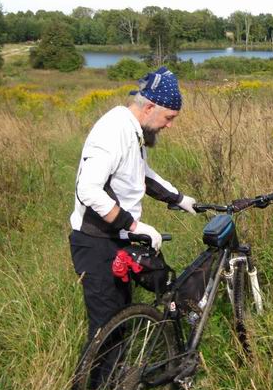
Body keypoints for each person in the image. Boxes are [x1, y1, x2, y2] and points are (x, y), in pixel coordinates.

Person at [69, 66, 196, 345]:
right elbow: (88, 190)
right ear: (150, 107)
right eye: (168, 117)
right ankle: (95, 388)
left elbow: (142, 174)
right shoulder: (113, 131)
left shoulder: (133, 130)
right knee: (107, 333)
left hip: (117, 240)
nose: (169, 125)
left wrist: (179, 198)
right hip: (97, 244)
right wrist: (134, 225)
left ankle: (118, 384)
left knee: (120, 320)